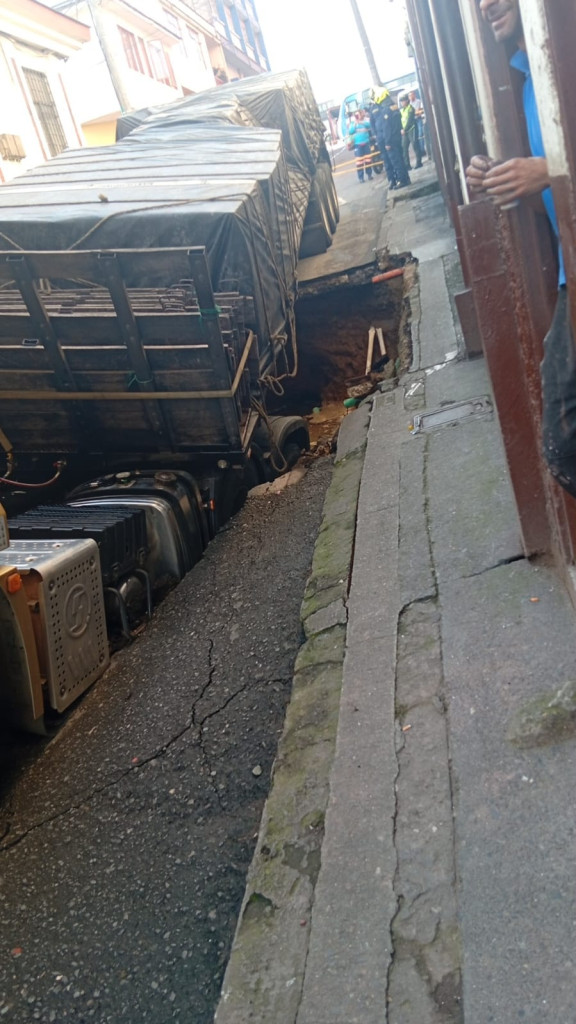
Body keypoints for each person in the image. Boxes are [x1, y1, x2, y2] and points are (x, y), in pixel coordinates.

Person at [465, 0, 576, 499]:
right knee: (563, 439)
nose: (486, 5)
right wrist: (503, 178)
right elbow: (546, 203)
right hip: (567, 276)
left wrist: (550, 168)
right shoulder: (528, 81)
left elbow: (556, 171)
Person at [370, 86, 411, 190]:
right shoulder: (393, 106)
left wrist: (387, 142)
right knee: (396, 159)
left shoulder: (386, 109)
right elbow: (373, 124)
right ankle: (398, 180)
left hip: (389, 138)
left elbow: (387, 126)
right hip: (391, 137)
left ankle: (402, 180)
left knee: (396, 160)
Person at [348, 109, 374, 183]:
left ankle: (369, 174)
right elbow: (350, 131)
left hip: (366, 142)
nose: (357, 116)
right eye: (356, 115)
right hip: (358, 144)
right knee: (359, 162)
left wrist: (361, 122)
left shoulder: (365, 120)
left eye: (358, 114)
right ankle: (361, 177)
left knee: (368, 160)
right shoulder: (353, 123)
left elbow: (369, 125)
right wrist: (355, 123)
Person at [399, 94, 423, 170]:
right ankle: (407, 165)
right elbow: (400, 120)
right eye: (401, 101)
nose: (402, 103)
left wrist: (404, 129)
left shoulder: (410, 109)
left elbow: (409, 120)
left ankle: (419, 163)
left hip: (411, 129)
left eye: (403, 101)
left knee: (415, 145)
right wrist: (401, 129)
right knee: (404, 148)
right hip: (404, 131)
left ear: (407, 101)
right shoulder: (402, 110)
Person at [408, 89, 427, 158]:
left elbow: (420, 110)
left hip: (418, 119)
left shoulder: (418, 101)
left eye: (412, 95)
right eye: (409, 96)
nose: (411, 97)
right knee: (415, 137)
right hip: (413, 121)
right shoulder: (409, 104)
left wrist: (417, 112)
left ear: (414, 95)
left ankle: (422, 150)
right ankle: (418, 151)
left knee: (420, 134)